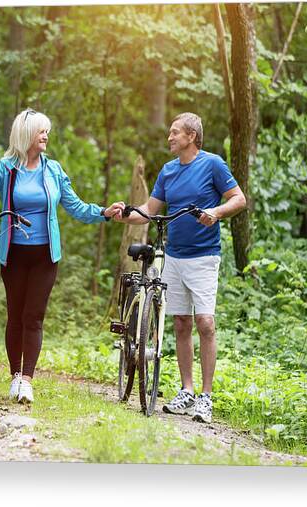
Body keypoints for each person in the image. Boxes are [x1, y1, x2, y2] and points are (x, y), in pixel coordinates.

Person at [0, 108, 124, 404]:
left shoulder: (54, 170)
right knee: (16, 317)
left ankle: (27, 381)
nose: (45, 135)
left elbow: (75, 206)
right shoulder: (7, 168)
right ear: (26, 136)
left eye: (46, 130)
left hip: (45, 256)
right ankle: (14, 377)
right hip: (13, 254)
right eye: (40, 131)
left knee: (33, 317)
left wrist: (103, 213)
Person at [116, 112, 246, 423]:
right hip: (173, 256)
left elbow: (239, 199)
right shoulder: (168, 171)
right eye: (171, 132)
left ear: (192, 136)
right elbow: (149, 210)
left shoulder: (212, 164)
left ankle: (206, 396)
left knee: (205, 322)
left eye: (176, 133)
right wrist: (122, 214)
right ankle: (186, 391)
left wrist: (215, 212)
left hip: (203, 257)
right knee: (181, 324)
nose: (170, 137)